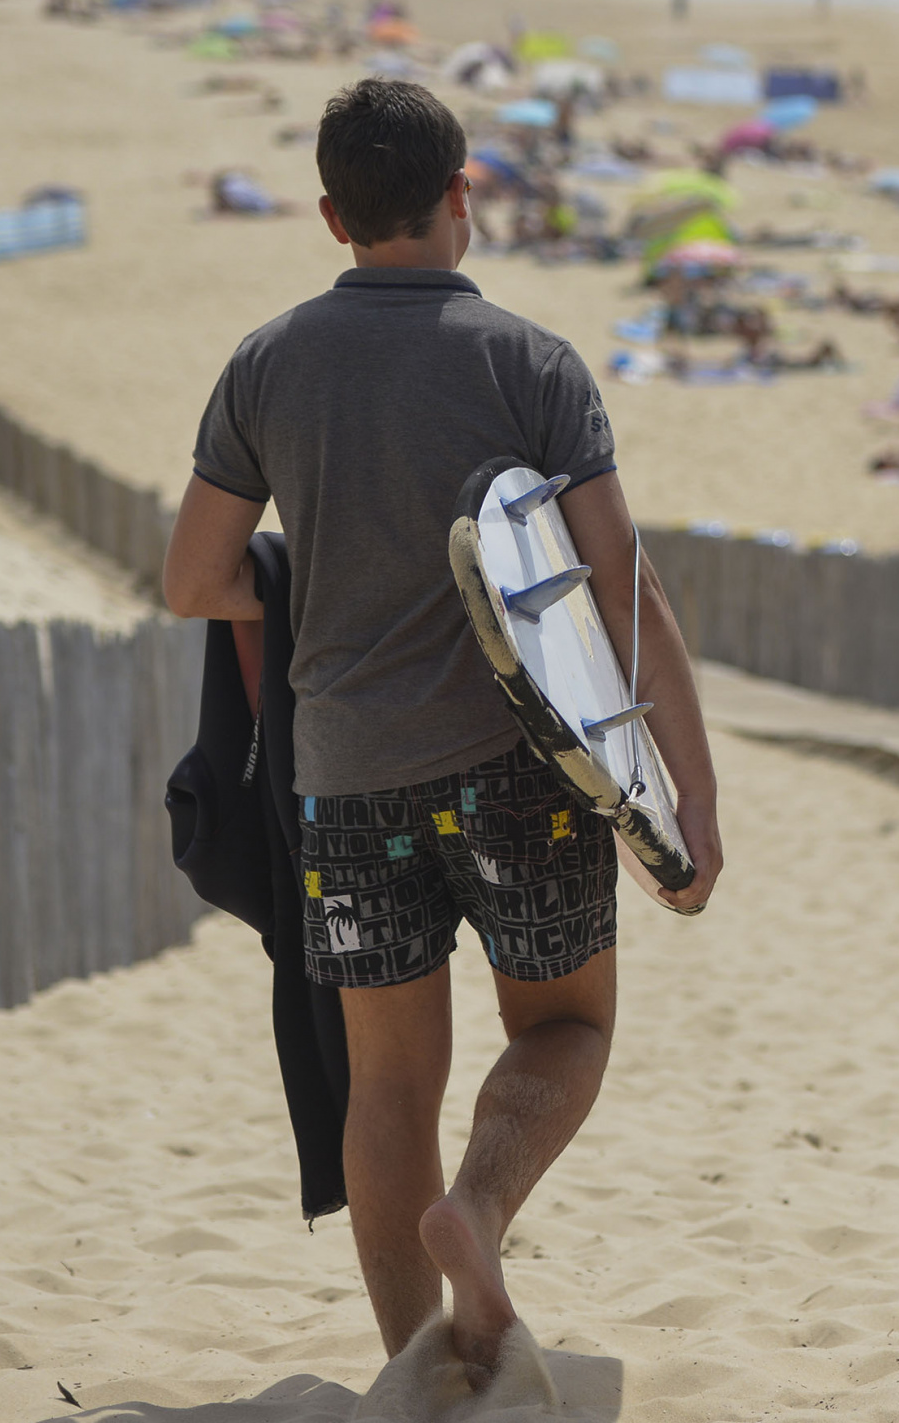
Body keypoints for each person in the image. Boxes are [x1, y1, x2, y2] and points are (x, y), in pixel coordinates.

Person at [161, 78, 723, 1388]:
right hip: (521, 775)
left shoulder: (268, 363)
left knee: (388, 1089)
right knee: (564, 1032)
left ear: (330, 215)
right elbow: (626, 584)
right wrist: (688, 799)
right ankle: (480, 1207)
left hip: (344, 782)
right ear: (461, 198)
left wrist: (296, 582)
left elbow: (194, 578)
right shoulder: (528, 364)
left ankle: (427, 1366)